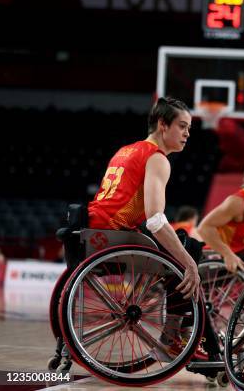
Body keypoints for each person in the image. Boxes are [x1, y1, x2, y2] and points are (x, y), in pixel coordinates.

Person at [87, 97, 205, 359]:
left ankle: (174, 330)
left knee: (179, 246)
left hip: (93, 232)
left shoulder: (126, 149)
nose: (187, 133)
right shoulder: (157, 158)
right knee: (189, 251)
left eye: (189, 128)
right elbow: (155, 219)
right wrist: (188, 262)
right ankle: (174, 336)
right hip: (113, 237)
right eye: (182, 126)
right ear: (163, 125)